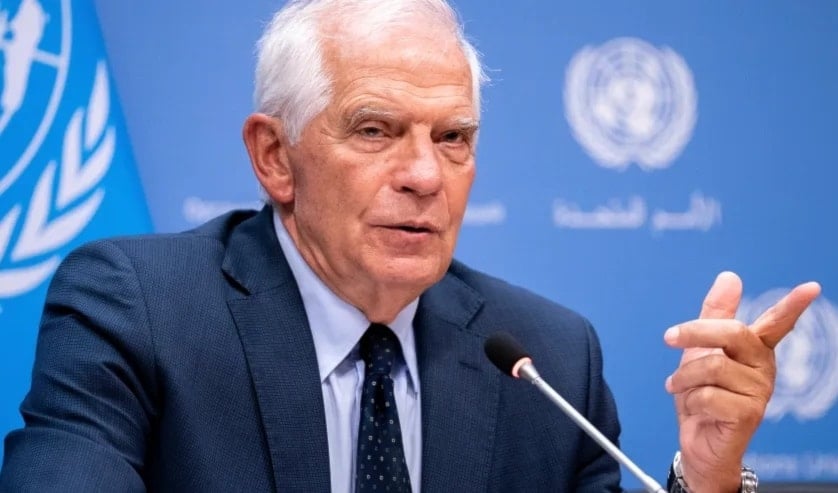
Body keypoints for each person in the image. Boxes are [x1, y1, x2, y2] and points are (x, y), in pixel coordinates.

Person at [0, 0, 821, 492]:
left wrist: (707, 474)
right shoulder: (141, 311)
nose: (425, 174)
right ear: (274, 157)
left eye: (454, 136)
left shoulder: (548, 359)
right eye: (376, 129)